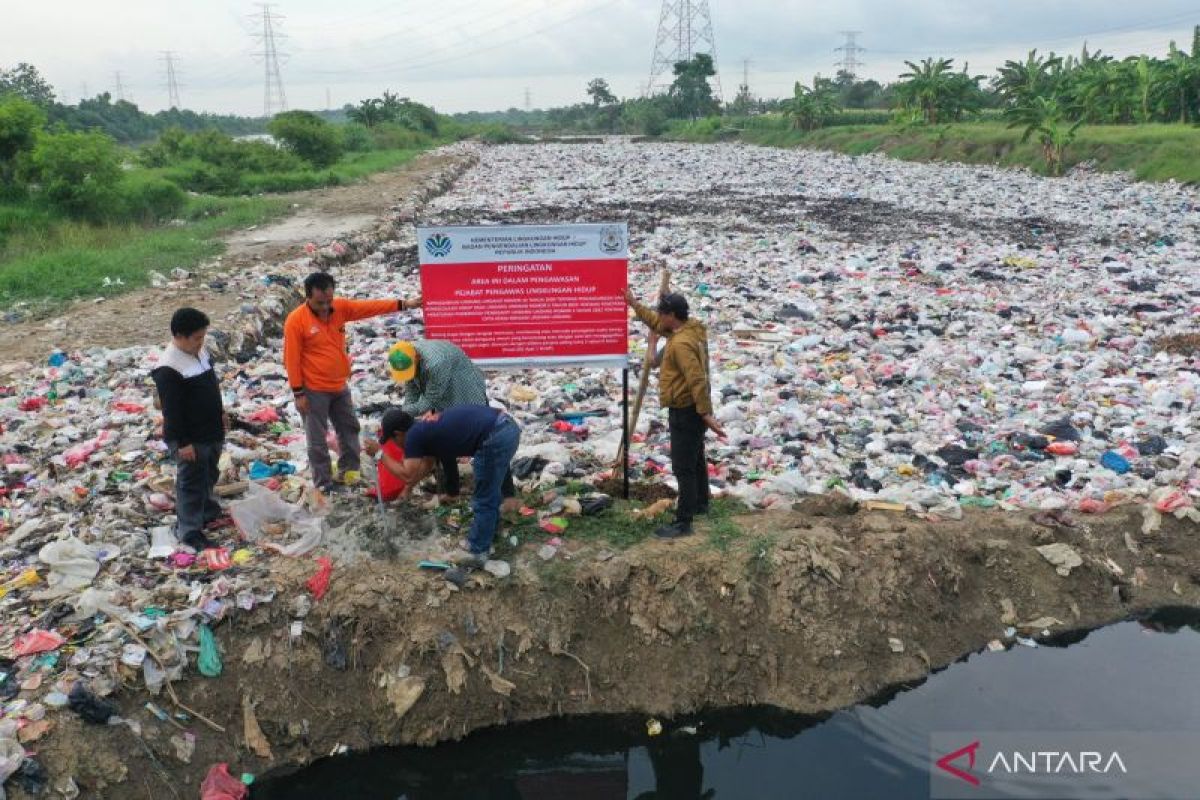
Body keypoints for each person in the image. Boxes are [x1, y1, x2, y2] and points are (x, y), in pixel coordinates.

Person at [283, 271, 421, 493]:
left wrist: (404, 304)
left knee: (349, 428)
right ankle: (324, 484)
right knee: (317, 439)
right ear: (308, 296)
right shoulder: (296, 321)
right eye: (320, 302)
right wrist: (298, 393)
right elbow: (291, 359)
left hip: (339, 385)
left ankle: (349, 474)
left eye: (329, 300)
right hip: (313, 389)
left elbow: (368, 307)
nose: (326, 306)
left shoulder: (339, 308)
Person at [625, 288, 726, 538]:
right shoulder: (690, 328)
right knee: (696, 458)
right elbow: (654, 321)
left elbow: (696, 380)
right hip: (691, 409)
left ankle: (683, 522)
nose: (659, 317)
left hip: (685, 410)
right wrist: (633, 303)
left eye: (662, 313)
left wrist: (705, 414)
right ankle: (701, 503)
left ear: (672, 315)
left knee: (683, 467)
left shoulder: (680, 344)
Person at [367, 405, 520, 566]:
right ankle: (488, 533)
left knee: (484, 496)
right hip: (506, 426)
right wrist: (407, 490)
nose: (397, 446)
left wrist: (379, 454)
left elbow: (407, 474)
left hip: (495, 434)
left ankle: (478, 551)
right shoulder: (423, 429)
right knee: (489, 490)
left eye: (393, 442)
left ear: (398, 434)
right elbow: (426, 465)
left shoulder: (413, 435)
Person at [151, 307, 226, 551]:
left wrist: (221, 413)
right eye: (197, 338)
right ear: (180, 336)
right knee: (191, 481)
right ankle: (190, 530)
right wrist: (182, 443)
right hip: (191, 436)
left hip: (211, 429)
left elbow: (211, 385)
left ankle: (207, 510)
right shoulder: (168, 368)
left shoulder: (198, 352)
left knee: (209, 473)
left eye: (203, 336)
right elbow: (171, 411)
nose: (201, 342)